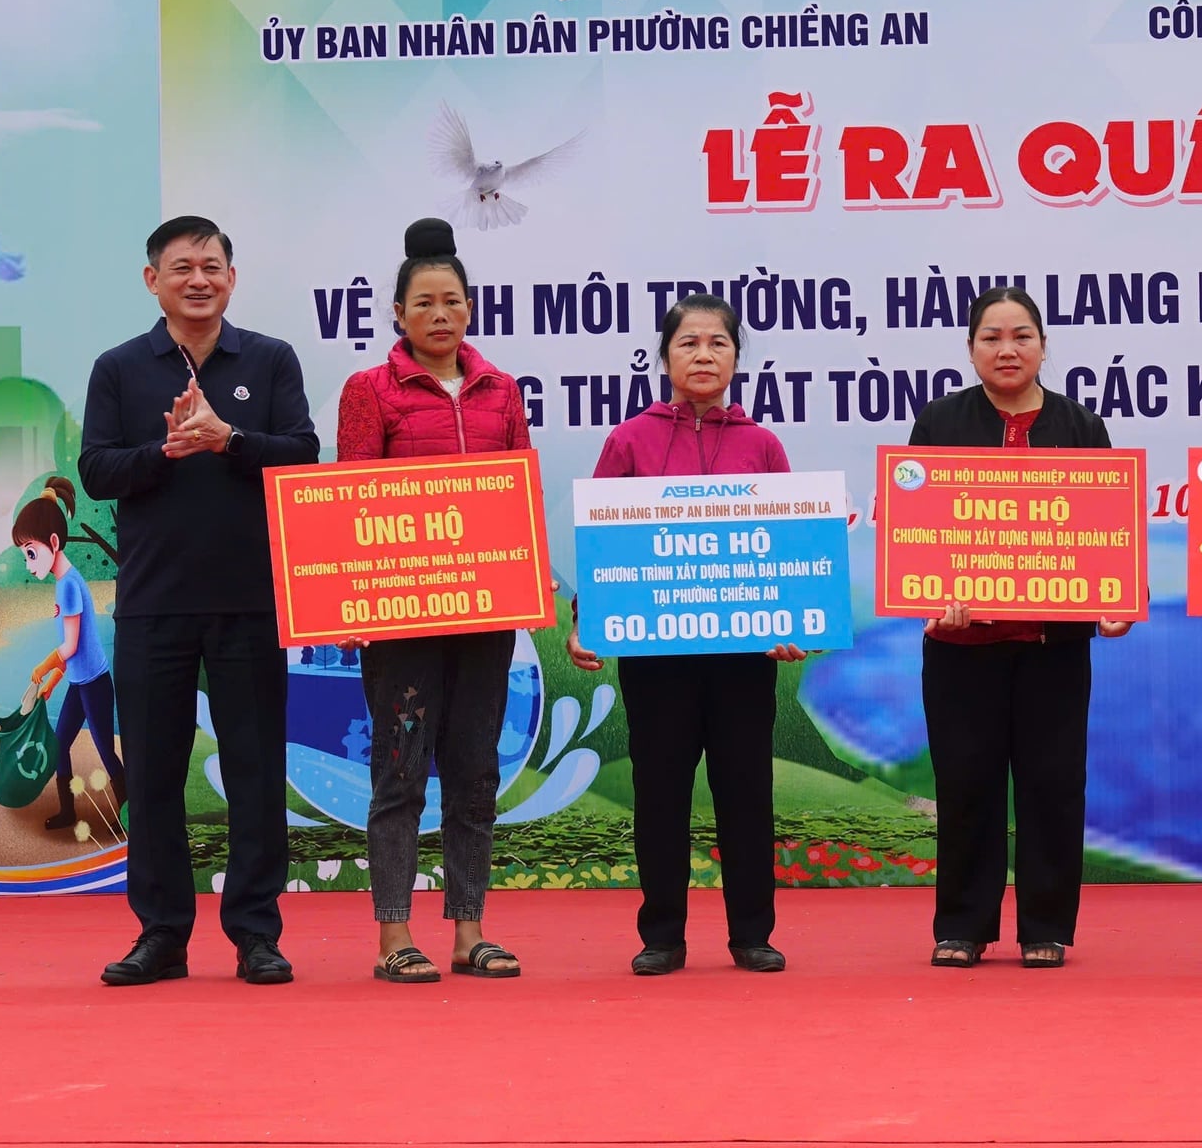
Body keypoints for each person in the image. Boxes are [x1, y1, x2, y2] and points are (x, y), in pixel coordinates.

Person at [79, 215, 318, 987]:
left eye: (212, 265)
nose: (198, 279)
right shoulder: (120, 368)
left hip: (251, 599)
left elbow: (302, 454)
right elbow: (97, 471)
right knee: (151, 775)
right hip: (154, 604)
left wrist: (229, 441)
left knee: (254, 769)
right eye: (181, 267)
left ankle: (255, 933)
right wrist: (165, 451)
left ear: (232, 277)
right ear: (153, 280)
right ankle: (161, 934)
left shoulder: (271, 360)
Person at [565, 294, 804, 975]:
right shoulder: (629, 440)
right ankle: (662, 934)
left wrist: (790, 623)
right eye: (689, 343)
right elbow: (602, 548)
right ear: (664, 357)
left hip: (741, 659)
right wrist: (587, 619)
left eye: (718, 344)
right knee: (660, 792)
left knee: (746, 792)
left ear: (736, 357)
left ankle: (751, 933)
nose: (703, 355)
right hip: (656, 656)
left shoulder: (761, 445)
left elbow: (788, 552)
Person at [907, 287, 1131, 970]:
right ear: (970, 348)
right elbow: (916, 531)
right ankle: (963, 927)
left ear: (1042, 345)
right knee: (965, 783)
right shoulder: (939, 422)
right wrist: (925, 587)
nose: (1007, 350)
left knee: (1052, 783)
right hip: (960, 647)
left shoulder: (1080, 427)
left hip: (1052, 646)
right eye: (991, 337)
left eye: (1022, 336)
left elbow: (1109, 537)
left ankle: (1046, 926)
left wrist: (1117, 600)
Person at [334, 218, 533, 984]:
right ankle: (393, 938)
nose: (440, 314)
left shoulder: (502, 391)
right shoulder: (370, 391)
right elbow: (352, 502)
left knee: (475, 771)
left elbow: (518, 491)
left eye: (453, 300)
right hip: (403, 620)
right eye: (424, 303)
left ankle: (469, 932)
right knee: (400, 771)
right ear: (398, 314)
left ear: (471, 309)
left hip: (485, 617)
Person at [12, 476, 125, 831]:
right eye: (24, 554)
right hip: (80, 680)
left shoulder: (69, 586)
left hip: (94, 683)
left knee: (107, 752)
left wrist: (44, 666)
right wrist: (55, 680)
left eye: (31, 553)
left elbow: (71, 646)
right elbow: (74, 651)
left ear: (54, 543)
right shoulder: (65, 583)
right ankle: (67, 812)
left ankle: (131, 814)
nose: (29, 563)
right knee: (60, 746)